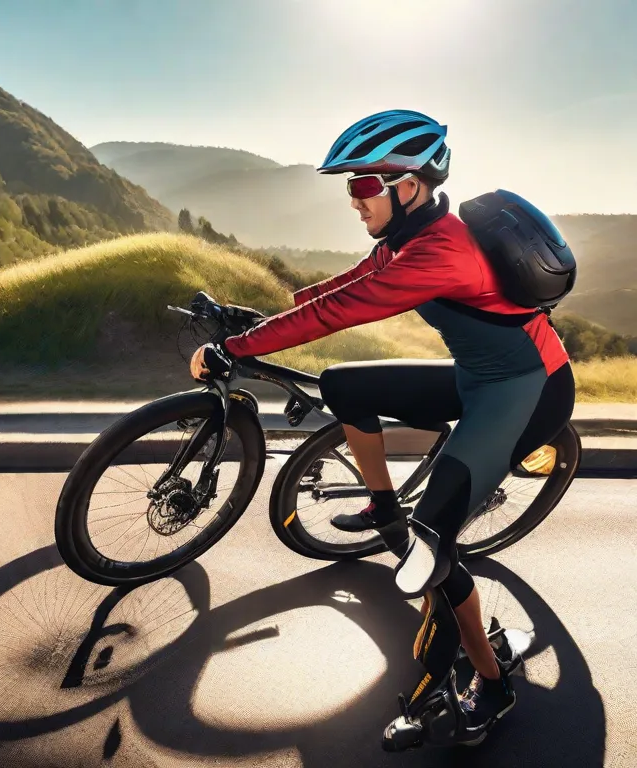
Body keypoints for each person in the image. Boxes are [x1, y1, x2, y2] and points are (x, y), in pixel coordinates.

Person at [189, 109, 575, 733]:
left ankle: (493, 683)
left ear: (411, 186)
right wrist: (256, 319)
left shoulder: (442, 253)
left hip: (527, 393)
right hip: (476, 377)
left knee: (431, 553)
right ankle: (382, 505)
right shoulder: (405, 240)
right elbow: (342, 287)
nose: (353, 199)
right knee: (345, 387)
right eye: (350, 185)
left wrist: (239, 349)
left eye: (364, 185)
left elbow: (345, 312)